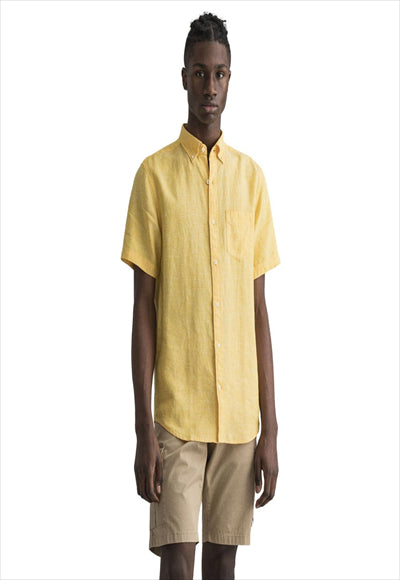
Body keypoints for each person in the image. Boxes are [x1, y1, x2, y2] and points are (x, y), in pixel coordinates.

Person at [121, 12, 281, 580]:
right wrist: (143, 429)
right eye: (199, 73)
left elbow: (258, 313)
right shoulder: (154, 177)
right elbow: (143, 311)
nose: (209, 86)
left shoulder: (251, 180)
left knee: (222, 562)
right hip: (176, 416)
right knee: (177, 560)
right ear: (183, 77)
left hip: (238, 418)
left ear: (230, 78)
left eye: (219, 74)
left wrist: (270, 430)